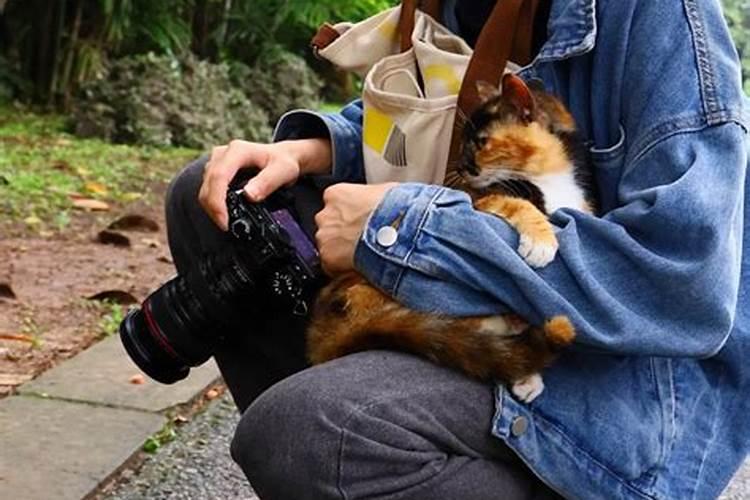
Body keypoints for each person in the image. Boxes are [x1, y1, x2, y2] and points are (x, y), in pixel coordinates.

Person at [165, 0, 750, 498]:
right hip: (494, 298)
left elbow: (685, 288)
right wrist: (318, 147)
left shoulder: (665, 19)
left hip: (628, 386)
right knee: (215, 200)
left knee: (308, 433)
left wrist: (395, 228)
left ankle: (353, 446)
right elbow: (448, 120)